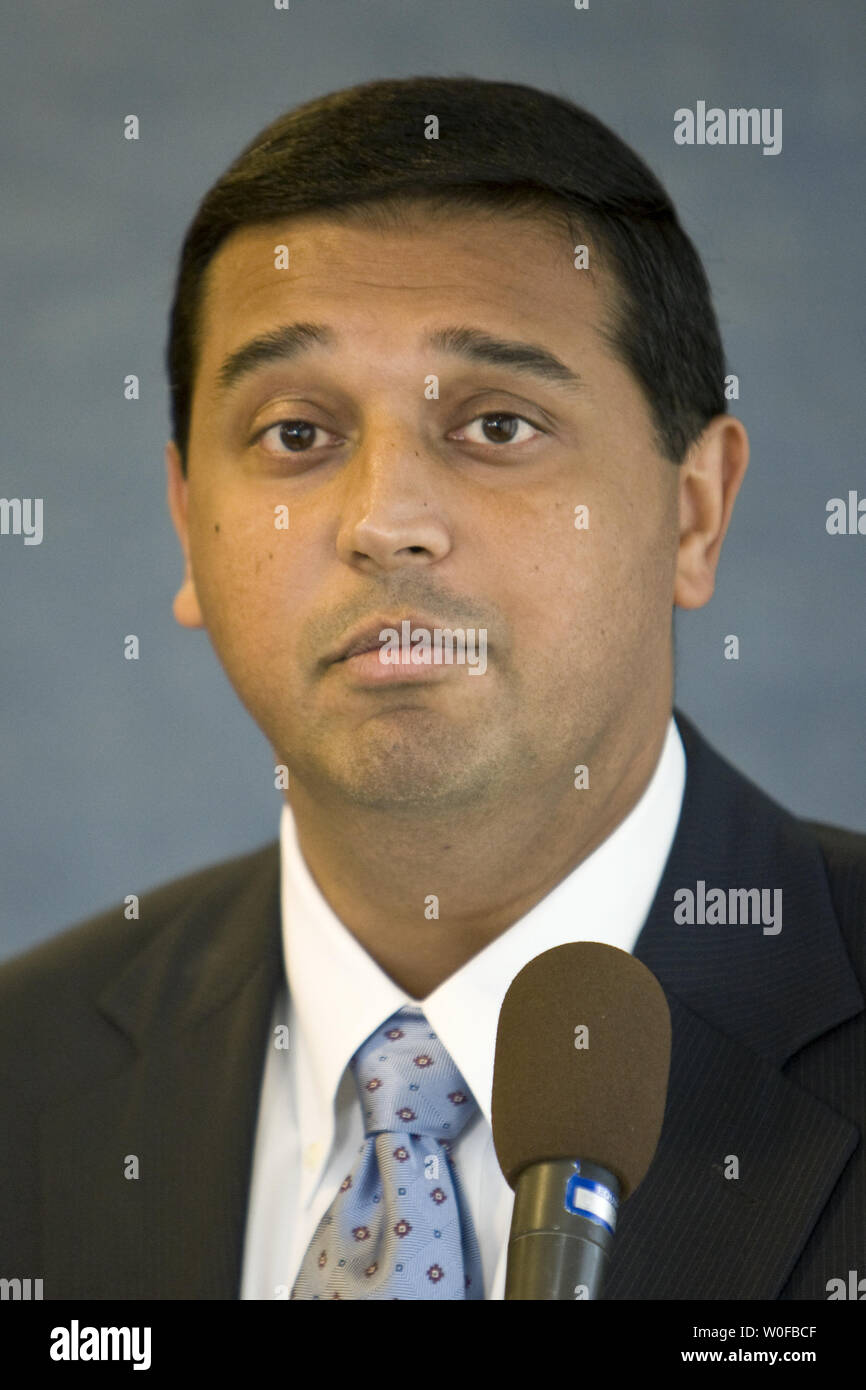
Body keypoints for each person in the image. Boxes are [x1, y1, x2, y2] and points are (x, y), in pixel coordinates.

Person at [1, 76, 863, 1302]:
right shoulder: (22, 1067)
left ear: (692, 510)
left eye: (497, 424)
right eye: (297, 434)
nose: (385, 521)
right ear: (188, 522)